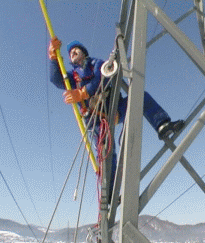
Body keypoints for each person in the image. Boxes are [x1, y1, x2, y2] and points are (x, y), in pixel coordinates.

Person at [48, 37, 184, 200]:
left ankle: (162, 125)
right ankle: (109, 191)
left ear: (84, 53)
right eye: (70, 53)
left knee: (141, 97)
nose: (72, 53)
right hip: (95, 119)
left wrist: (83, 93)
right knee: (105, 150)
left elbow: (102, 78)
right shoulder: (72, 77)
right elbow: (56, 79)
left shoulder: (96, 64)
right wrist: (53, 58)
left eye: (76, 50)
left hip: (114, 109)